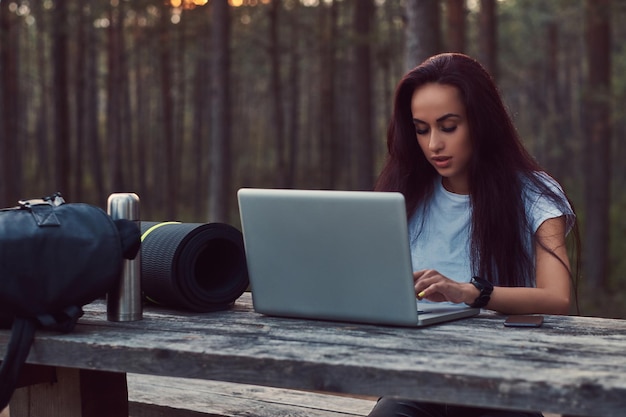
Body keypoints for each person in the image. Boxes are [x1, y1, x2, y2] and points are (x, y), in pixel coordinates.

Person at [367, 53, 580, 417]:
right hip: (417, 373)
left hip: (500, 376)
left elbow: (557, 297)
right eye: (421, 129)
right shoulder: (402, 195)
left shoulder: (535, 193)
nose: (434, 144)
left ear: (481, 123)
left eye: (448, 126)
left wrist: (472, 292)